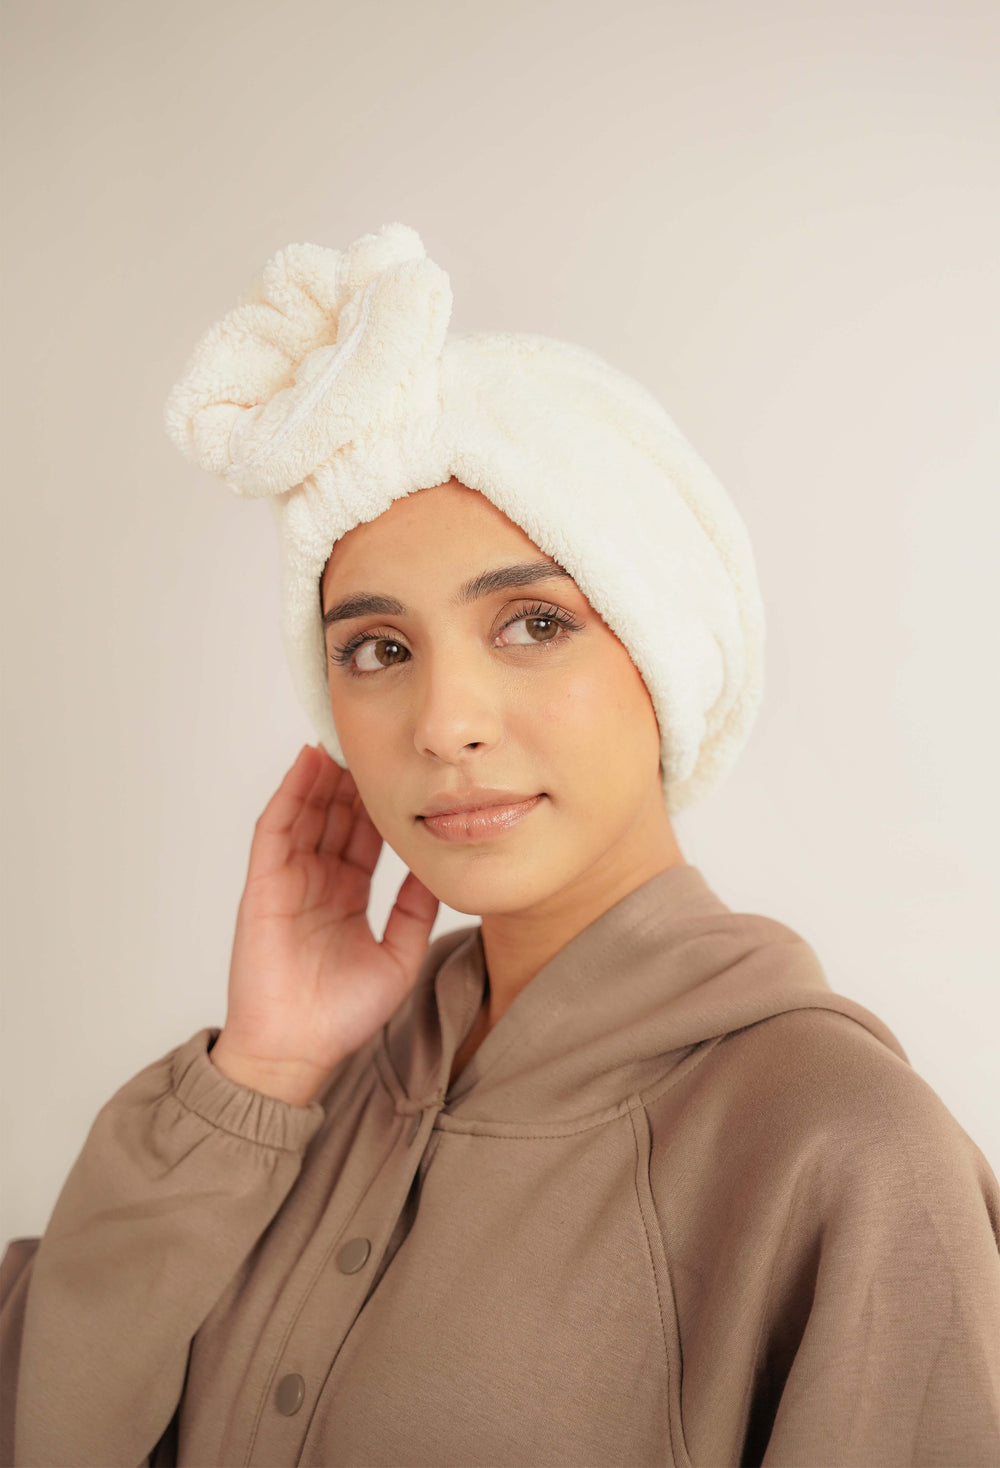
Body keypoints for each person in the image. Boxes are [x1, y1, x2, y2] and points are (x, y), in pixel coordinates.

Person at [2, 224, 999, 1468]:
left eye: (532, 623)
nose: (444, 723)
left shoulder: (845, 1149)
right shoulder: (314, 1082)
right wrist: (257, 1074)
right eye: (378, 649)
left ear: (666, 654)